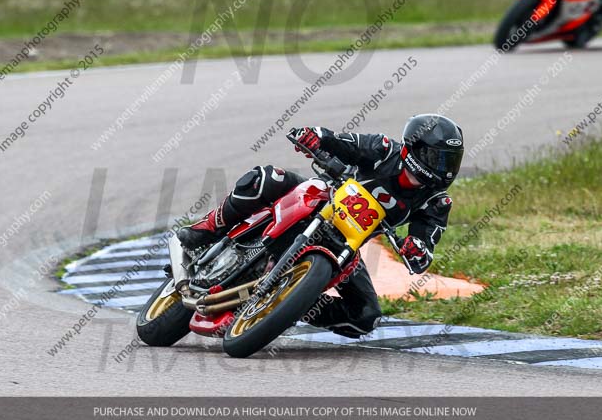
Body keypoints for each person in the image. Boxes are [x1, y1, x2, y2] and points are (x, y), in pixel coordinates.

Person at [176, 114, 465, 338]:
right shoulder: (384, 150)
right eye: (437, 158)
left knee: (365, 316)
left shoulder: (437, 202)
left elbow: (424, 247)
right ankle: (207, 228)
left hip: (346, 244)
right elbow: (341, 143)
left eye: (450, 161)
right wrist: (316, 137)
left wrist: (416, 249)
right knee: (269, 177)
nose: (444, 168)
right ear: (414, 150)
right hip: (320, 198)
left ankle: (290, 306)